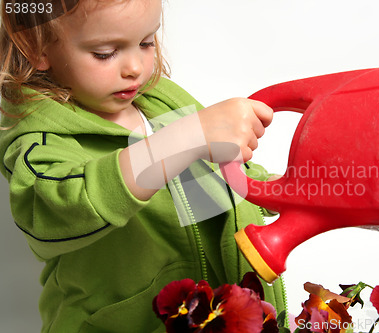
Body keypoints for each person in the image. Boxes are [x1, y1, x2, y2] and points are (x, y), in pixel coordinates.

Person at [0, 0, 287, 332]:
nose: (135, 67)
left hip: (216, 315)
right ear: (36, 47)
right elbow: (57, 207)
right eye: (106, 53)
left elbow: (220, 175)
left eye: (147, 42)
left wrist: (304, 193)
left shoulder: (158, 98)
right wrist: (182, 139)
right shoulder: (41, 139)